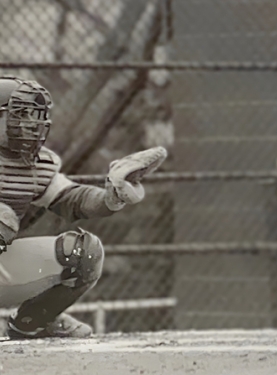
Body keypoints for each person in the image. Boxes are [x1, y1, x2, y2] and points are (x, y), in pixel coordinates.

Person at [0, 76, 167, 339]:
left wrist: (112, 194)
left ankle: (33, 322)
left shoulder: (33, 165)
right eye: (19, 114)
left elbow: (72, 198)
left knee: (82, 254)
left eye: (34, 115)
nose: (30, 124)